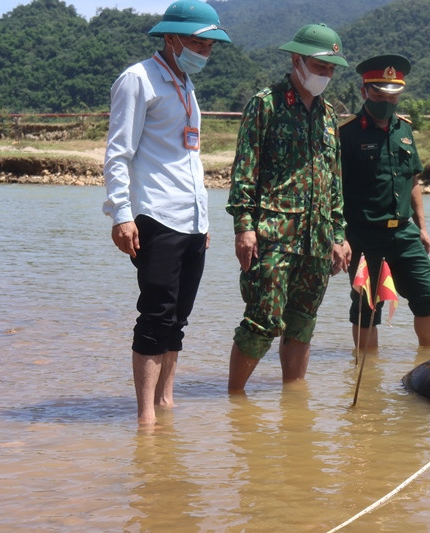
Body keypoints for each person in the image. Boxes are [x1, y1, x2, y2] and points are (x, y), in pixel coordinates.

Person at [102, 0, 231, 424]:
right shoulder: (138, 80)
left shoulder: (186, 84)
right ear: (171, 38)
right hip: (155, 216)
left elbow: (187, 159)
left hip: (191, 222)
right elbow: (118, 154)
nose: (204, 52)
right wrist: (121, 214)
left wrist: (204, 220)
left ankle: (166, 402)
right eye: (198, 42)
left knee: (179, 319)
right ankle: (145, 420)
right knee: (156, 315)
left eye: (210, 45)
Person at [225, 23, 351, 392]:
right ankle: (236, 403)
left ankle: (293, 402)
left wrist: (339, 235)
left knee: (302, 323)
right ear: (296, 60)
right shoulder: (266, 105)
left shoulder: (328, 116)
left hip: (317, 240)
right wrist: (244, 227)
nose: (325, 75)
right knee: (262, 321)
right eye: (319, 66)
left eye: (330, 69)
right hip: (273, 238)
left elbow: (334, 182)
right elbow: (244, 170)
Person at [340, 54, 430, 350]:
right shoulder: (346, 134)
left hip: (405, 234)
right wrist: (341, 236)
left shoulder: (405, 129)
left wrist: (422, 227)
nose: (387, 99)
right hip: (364, 236)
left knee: (429, 299)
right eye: (379, 93)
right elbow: (334, 189)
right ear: (364, 91)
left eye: (393, 94)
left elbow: (413, 182)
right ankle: (368, 379)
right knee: (367, 308)